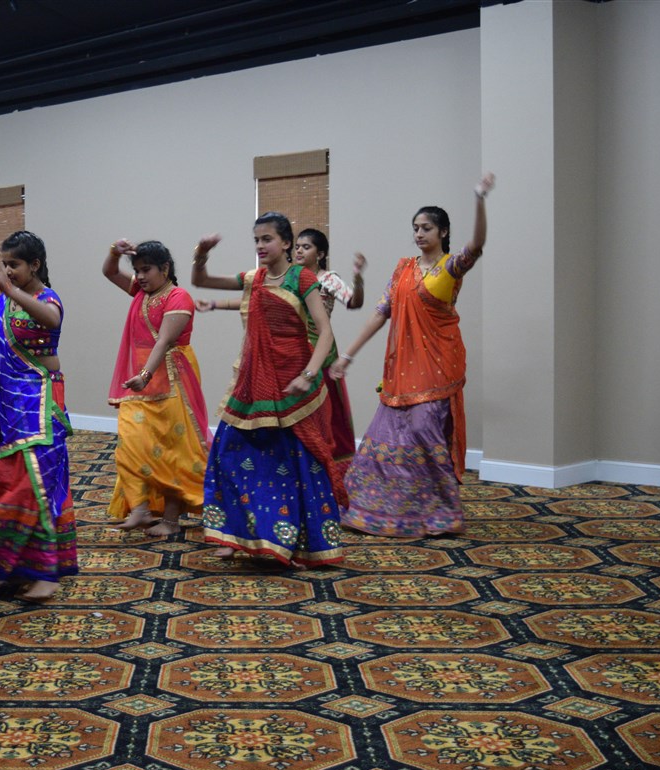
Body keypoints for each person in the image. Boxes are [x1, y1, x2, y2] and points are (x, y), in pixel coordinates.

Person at [331, 173, 495, 538]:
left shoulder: (450, 267)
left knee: (424, 431)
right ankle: (378, 510)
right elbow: (380, 313)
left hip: (438, 365)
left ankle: (440, 512)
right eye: (415, 229)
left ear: (443, 232)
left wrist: (479, 199)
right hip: (402, 369)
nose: (419, 234)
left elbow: (477, 245)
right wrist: (348, 356)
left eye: (426, 228)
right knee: (387, 435)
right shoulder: (403, 268)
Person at [191, 212, 345, 567]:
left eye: (267, 239)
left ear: (286, 243)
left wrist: (308, 374)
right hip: (254, 381)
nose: (260, 246)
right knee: (227, 453)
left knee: (295, 463)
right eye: (256, 240)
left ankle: (300, 542)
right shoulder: (254, 279)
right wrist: (202, 253)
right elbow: (201, 279)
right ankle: (237, 532)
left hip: (293, 384)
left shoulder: (302, 278)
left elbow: (324, 331)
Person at [0, 231, 77, 602]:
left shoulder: (46, 299)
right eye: (5, 264)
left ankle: (47, 574)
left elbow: (52, 320)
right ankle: (12, 569)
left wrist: (11, 290)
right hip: (5, 407)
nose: (8, 270)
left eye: (14, 264)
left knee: (35, 485)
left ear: (35, 265)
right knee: (5, 482)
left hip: (39, 403)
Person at [102, 238, 210, 539]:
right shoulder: (141, 292)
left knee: (174, 451)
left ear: (165, 268)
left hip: (173, 380)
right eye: (137, 270)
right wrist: (114, 252)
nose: (139, 276)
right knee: (130, 441)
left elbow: (164, 340)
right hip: (142, 381)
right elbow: (110, 272)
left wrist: (145, 374)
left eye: (146, 269)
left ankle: (171, 521)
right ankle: (140, 508)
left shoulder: (178, 297)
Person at [293, 228, 365, 465]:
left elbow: (354, 302)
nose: (299, 251)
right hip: (293, 350)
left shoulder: (328, 279)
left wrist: (358, 279)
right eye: (297, 247)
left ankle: (330, 462)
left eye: (306, 247)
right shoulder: (291, 276)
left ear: (321, 254)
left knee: (326, 409)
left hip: (320, 350)